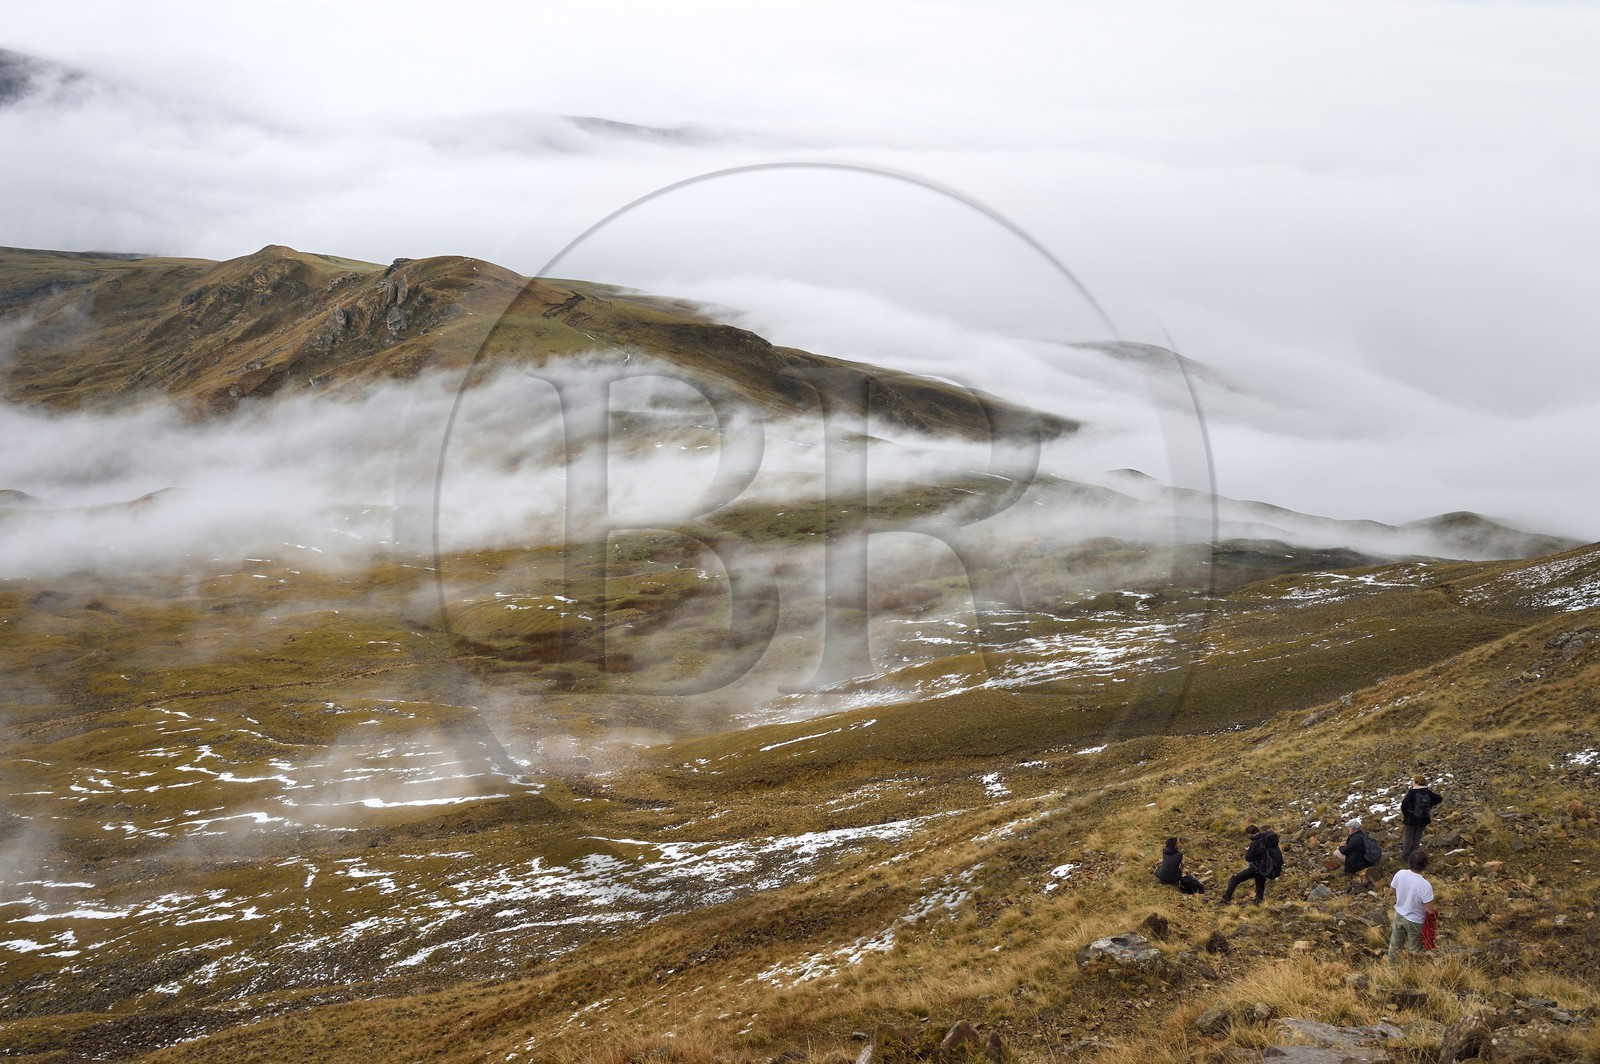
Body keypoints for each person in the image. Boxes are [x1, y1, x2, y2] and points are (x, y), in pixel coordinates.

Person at [1386, 849, 1435, 964]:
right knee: (1415, 949)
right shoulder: (1425, 885)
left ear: (1410, 862)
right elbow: (1430, 910)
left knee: (1395, 945)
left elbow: (1391, 891)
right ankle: (1413, 969)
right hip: (1415, 920)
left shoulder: (1400, 874)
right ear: (1424, 866)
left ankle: (1392, 968)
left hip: (1399, 915)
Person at [1220, 824, 1280, 904]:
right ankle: (1258, 902)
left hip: (1256, 868)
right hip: (1265, 868)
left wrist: (1248, 850)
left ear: (1250, 833)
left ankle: (1226, 899)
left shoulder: (1255, 842)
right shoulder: (1266, 839)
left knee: (1234, 878)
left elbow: (1248, 858)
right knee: (1260, 882)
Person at [1400, 776, 1445, 858]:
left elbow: (1404, 804)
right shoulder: (1427, 792)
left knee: (1409, 837)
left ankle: (1406, 856)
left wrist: (1407, 813)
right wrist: (1428, 806)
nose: (1412, 783)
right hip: (1424, 818)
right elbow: (1439, 799)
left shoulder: (1412, 792)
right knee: (1417, 836)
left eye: (1413, 781)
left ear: (1416, 782)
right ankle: (1414, 855)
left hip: (1411, 819)